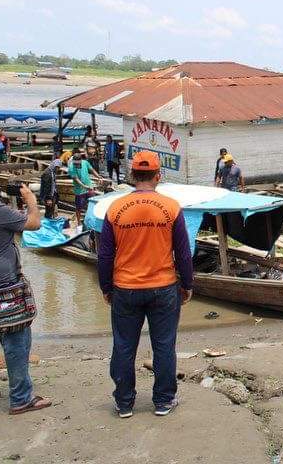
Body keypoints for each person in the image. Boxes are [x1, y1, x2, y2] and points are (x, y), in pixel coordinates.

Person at [97, 151, 193, 418]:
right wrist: (187, 284)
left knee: (124, 345)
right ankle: (163, 401)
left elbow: (105, 255)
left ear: (131, 176)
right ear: (158, 176)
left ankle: (124, 403)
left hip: (125, 288)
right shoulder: (171, 208)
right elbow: (183, 253)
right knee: (164, 345)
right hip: (164, 287)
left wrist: (106, 287)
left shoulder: (115, 209)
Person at [0, 183, 52, 414]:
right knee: (16, 343)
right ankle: (21, 398)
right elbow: (34, 224)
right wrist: (30, 199)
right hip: (3, 288)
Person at [68, 149, 97, 227]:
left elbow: (92, 169)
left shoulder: (85, 162)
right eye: (76, 164)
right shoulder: (71, 167)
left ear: (81, 160)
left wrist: (98, 176)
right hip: (79, 191)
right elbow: (76, 179)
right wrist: (85, 187)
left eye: (78, 164)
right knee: (79, 207)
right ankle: (79, 222)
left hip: (89, 187)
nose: (77, 165)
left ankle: (92, 220)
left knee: (92, 204)